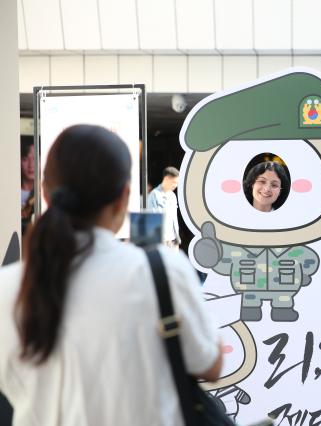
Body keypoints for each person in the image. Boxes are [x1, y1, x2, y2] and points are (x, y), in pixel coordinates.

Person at [0, 125, 222, 425]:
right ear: (123, 198)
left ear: (45, 193)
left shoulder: (7, 288)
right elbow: (209, 365)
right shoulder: (163, 272)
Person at [148, 166, 181, 250]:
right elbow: (152, 220)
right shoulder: (154, 195)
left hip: (173, 240)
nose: (176, 185)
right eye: (174, 182)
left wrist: (177, 239)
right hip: (160, 241)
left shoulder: (173, 196)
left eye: (177, 183)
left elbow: (174, 219)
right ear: (166, 179)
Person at [20, 138, 35, 235]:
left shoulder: (42, 194)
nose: (31, 165)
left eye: (34, 158)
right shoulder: (8, 191)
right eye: (25, 159)